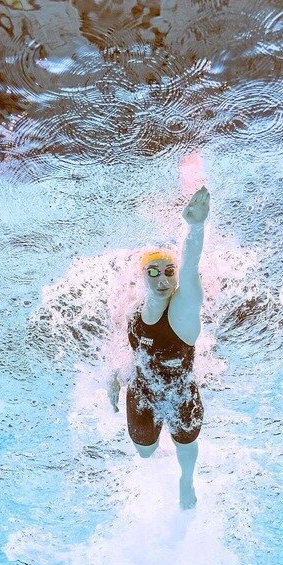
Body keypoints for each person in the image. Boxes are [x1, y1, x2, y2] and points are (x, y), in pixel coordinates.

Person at [109, 187, 210, 509]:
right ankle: (158, 460)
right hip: (142, 393)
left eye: (169, 272)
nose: (162, 279)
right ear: (142, 276)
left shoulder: (183, 313)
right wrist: (115, 376)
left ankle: (186, 480)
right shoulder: (133, 308)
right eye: (153, 272)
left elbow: (191, 269)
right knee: (145, 452)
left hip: (182, 396)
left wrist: (195, 227)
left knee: (185, 445)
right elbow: (131, 351)